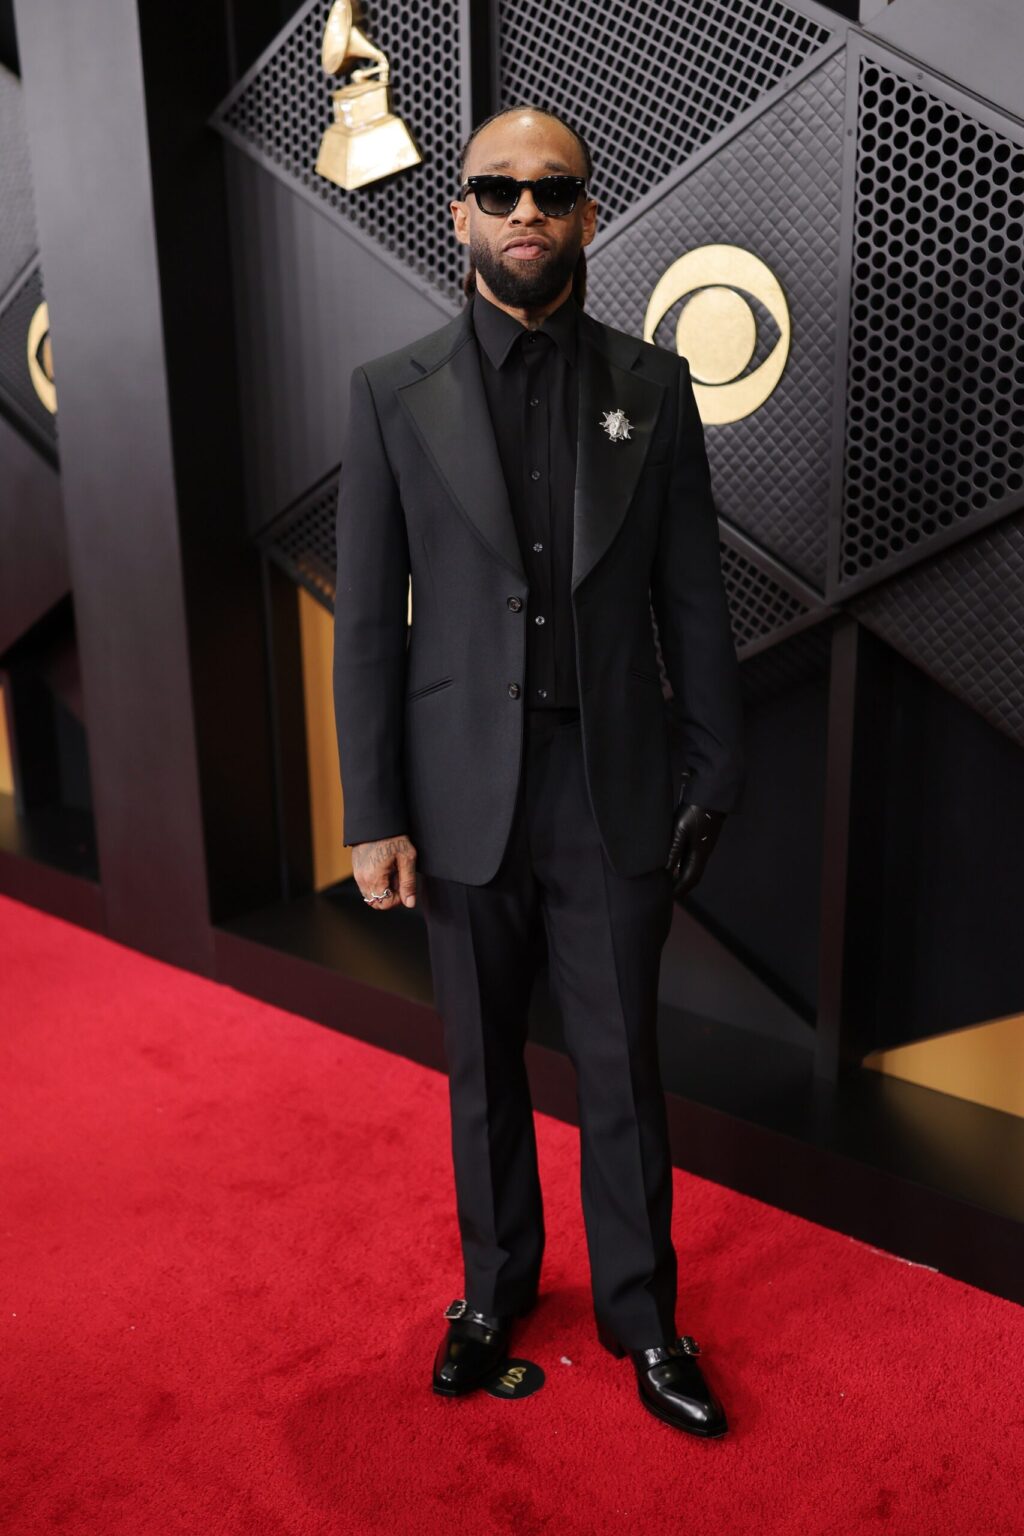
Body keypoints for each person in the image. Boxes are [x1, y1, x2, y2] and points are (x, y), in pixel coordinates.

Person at [332, 103, 745, 1438]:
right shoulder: (390, 393)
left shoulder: (655, 387)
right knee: (482, 1067)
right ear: (458, 212)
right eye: (496, 190)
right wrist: (374, 809)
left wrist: (713, 775)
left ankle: (644, 1316)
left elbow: (697, 606)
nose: (524, 211)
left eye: (551, 190)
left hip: (610, 790)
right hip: (457, 794)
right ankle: (493, 1291)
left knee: (624, 1067)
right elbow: (367, 625)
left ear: (586, 213)